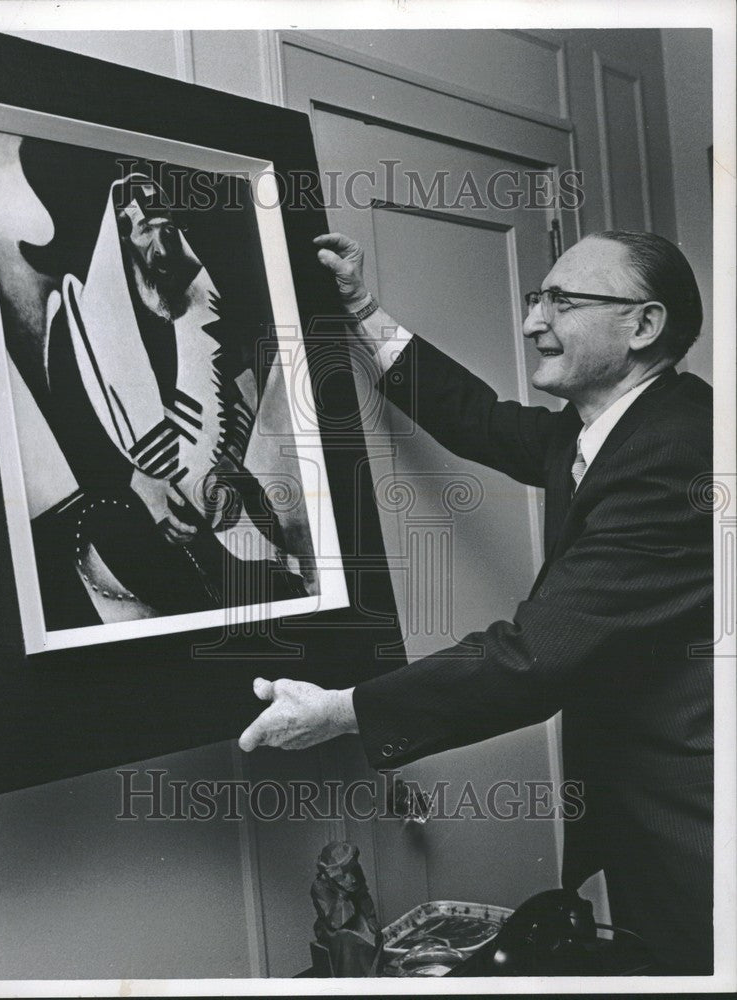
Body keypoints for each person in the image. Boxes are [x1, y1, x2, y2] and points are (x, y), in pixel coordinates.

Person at [239, 230, 714, 974]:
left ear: (644, 326)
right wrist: (364, 308)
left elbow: (533, 658)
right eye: (536, 299)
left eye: (563, 301)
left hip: (698, 828)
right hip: (657, 814)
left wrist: (341, 710)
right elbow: (480, 419)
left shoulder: (675, 454)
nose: (532, 321)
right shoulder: (614, 429)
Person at [44, 173, 308, 617]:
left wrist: (229, 467)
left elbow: (241, 386)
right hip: (137, 521)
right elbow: (72, 428)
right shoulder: (79, 323)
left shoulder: (201, 301)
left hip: (228, 507)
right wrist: (145, 490)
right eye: (147, 231)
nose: (163, 248)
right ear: (121, 239)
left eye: (169, 229)